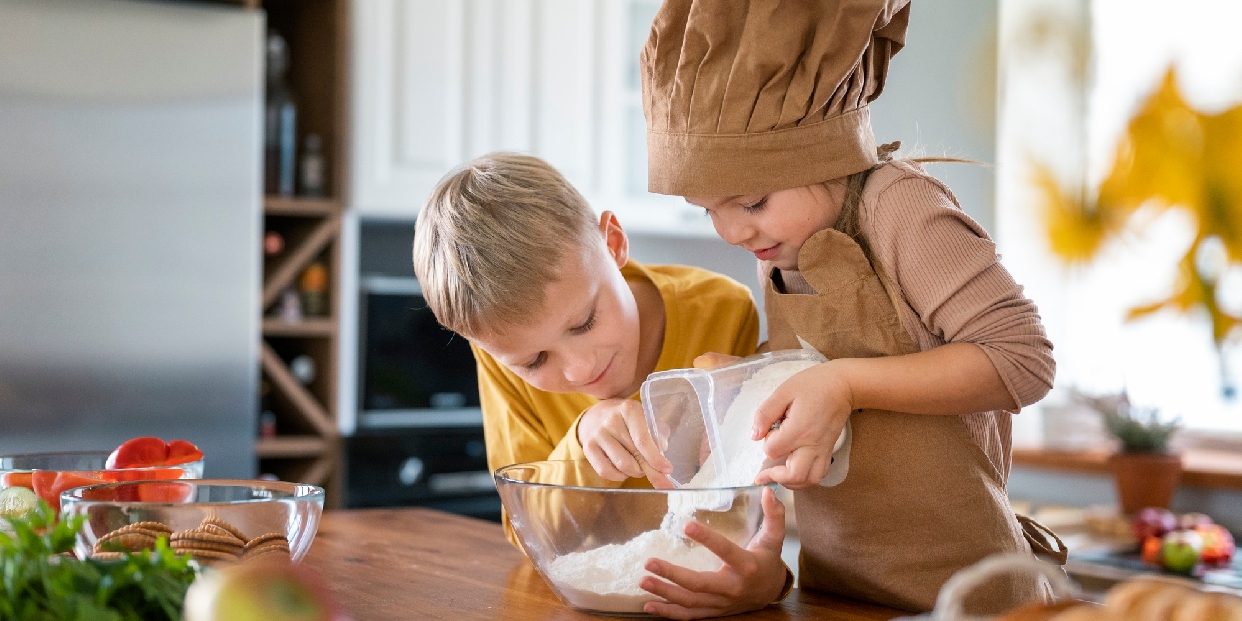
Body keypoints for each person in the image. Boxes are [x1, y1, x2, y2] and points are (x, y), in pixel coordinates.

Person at [632, 0, 1063, 617]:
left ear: (822, 155)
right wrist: (745, 386)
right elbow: (816, 374)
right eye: (708, 209)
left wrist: (844, 384)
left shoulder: (899, 208)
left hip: (969, 599)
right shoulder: (784, 240)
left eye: (750, 200)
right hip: (836, 593)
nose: (731, 231)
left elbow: (1023, 360)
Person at [411, 152, 760, 545]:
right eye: (534, 361)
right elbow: (529, 532)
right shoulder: (499, 362)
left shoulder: (723, 310)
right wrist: (581, 441)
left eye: (584, 323)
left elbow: (743, 505)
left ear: (613, 243)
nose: (580, 369)